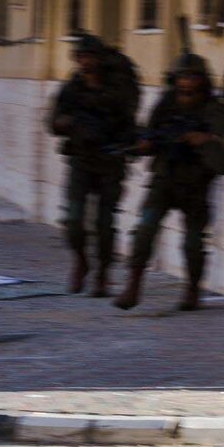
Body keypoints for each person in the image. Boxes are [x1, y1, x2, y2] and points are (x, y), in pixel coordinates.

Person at [114, 54, 224, 312]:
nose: (186, 84)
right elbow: (149, 132)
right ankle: (133, 285)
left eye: (192, 77)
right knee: (145, 228)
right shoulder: (166, 103)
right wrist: (145, 144)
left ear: (202, 81)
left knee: (193, 242)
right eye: (182, 77)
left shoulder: (214, 108)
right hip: (164, 179)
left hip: (196, 184)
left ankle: (192, 289)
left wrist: (205, 139)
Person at [48, 33, 139, 297]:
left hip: (110, 163)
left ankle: (103, 274)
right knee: (73, 219)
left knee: (104, 223)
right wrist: (67, 123)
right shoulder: (72, 88)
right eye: (82, 57)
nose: (86, 62)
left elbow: (129, 120)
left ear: (100, 60)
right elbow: (52, 123)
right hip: (81, 162)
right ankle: (81, 261)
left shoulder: (117, 89)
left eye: (91, 57)